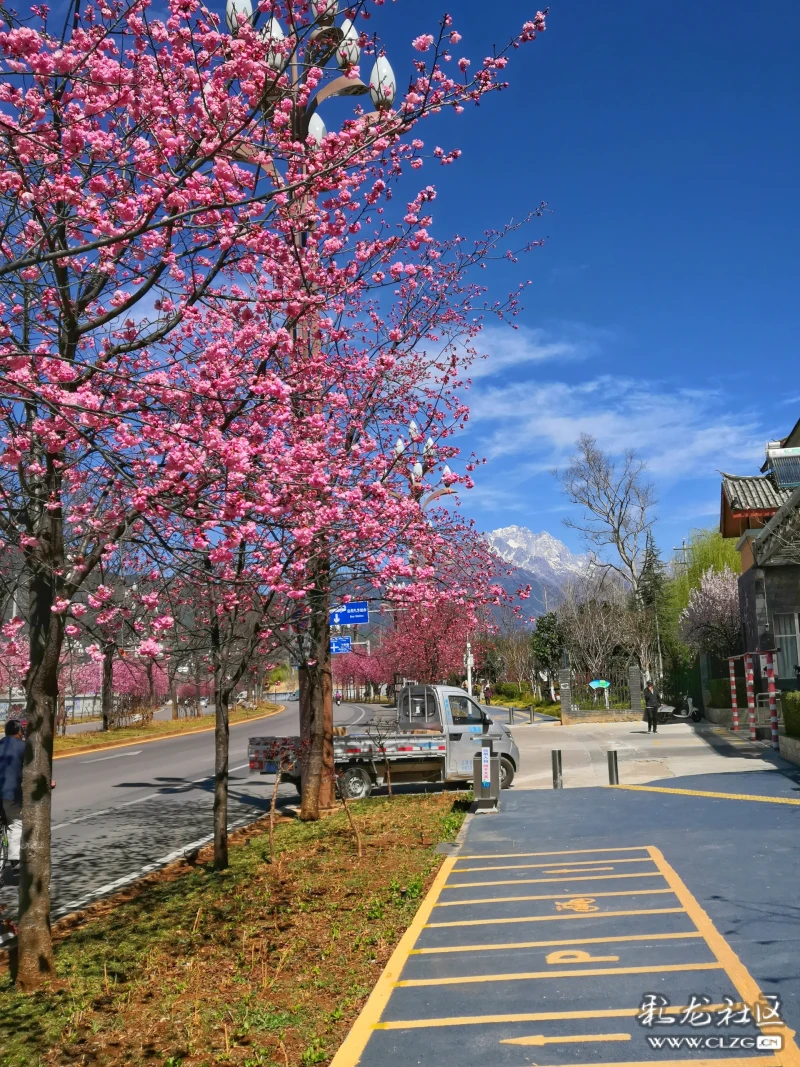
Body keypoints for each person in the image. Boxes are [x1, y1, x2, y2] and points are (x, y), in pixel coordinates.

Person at [0, 719, 25, 873]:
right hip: (10, 794)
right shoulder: (24, 747)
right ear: (20, 732)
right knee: (15, 822)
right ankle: (15, 860)